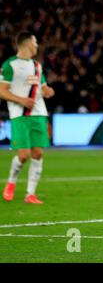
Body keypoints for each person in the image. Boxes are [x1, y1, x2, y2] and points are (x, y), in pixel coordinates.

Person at [0, 32, 55, 204]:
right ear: (27, 44)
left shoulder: (37, 66)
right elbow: (2, 91)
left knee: (38, 153)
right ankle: (11, 182)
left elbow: (43, 87)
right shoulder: (10, 65)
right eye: (35, 42)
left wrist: (47, 91)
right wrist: (21, 100)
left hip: (39, 114)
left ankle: (30, 194)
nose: (37, 45)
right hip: (20, 115)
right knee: (23, 155)